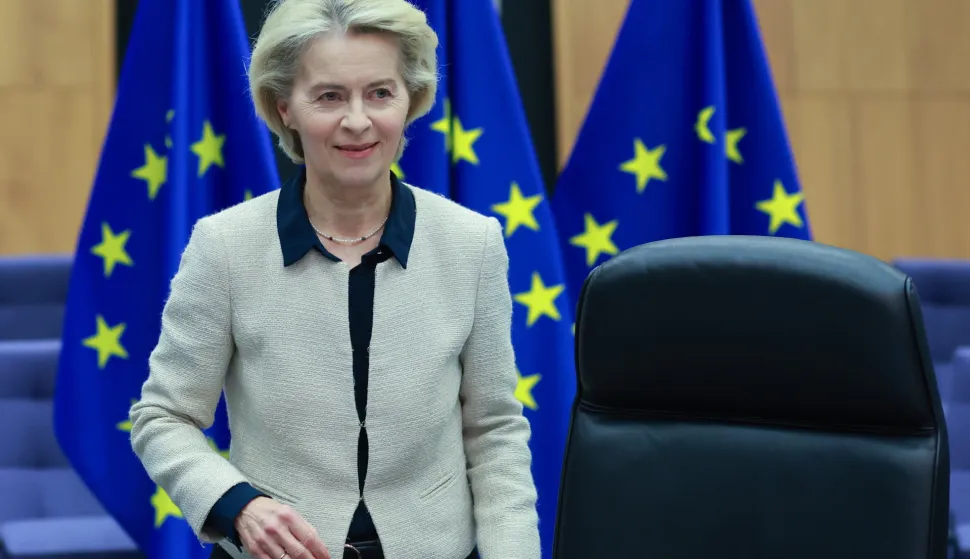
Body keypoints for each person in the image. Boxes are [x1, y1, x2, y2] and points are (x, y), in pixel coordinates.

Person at [127, 0, 541, 558]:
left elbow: (494, 432)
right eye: (328, 96)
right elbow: (161, 416)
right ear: (285, 109)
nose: (357, 120)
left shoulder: (473, 243)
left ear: (410, 100)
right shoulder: (223, 247)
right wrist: (238, 505)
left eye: (380, 92)